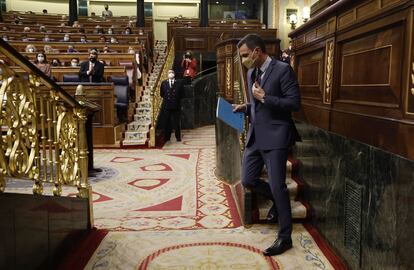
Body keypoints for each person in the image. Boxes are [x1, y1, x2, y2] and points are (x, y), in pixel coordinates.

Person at [233, 34, 301, 256]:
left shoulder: (283, 70)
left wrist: (265, 98)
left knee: (278, 185)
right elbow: (256, 104)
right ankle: (276, 200)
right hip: (255, 136)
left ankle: (285, 238)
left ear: (257, 52)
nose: (243, 60)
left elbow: (294, 103)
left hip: (276, 137)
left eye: (245, 55)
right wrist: (245, 107)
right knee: (248, 179)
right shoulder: (252, 71)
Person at [160, 70, 184, 142]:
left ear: (174, 74)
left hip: (176, 105)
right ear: (167, 74)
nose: (171, 74)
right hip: (167, 105)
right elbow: (161, 94)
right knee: (167, 122)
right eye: (169, 73)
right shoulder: (164, 83)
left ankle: (178, 137)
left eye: (172, 72)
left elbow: (182, 94)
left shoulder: (179, 83)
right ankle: (167, 137)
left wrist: (177, 100)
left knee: (177, 122)